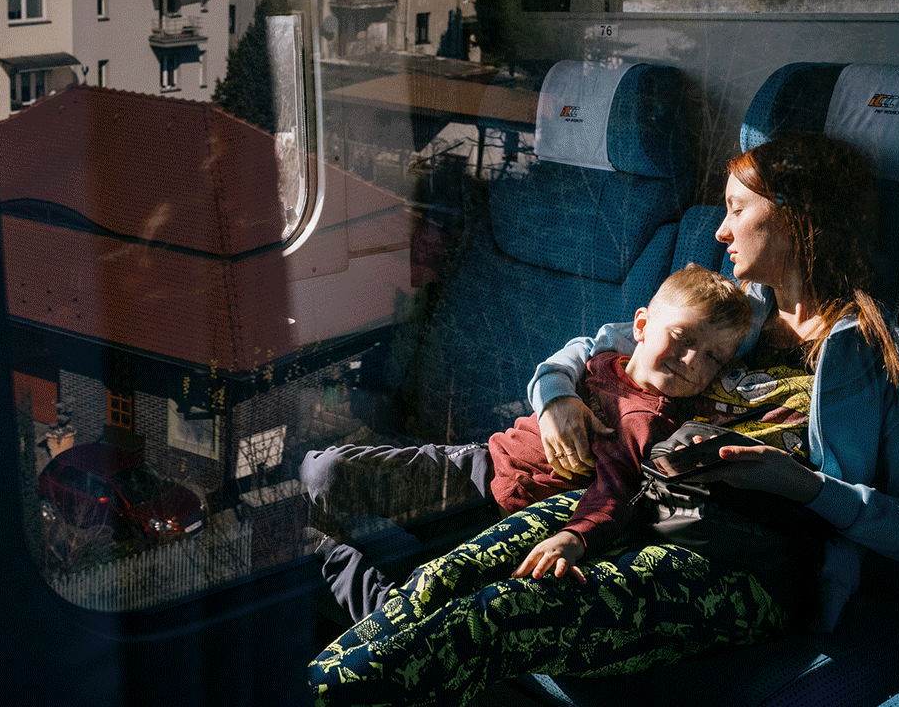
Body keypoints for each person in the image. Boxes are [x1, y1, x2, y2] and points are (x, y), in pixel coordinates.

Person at [307, 131, 899, 707]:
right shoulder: (736, 312)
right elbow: (600, 347)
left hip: (744, 557)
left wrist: (801, 484)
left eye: (738, 210)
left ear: (796, 220)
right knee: (436, 582)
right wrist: (556, 397)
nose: (720, 230)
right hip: (634, 499)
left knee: (496, 616)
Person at [301, 265, 751, 620]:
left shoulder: (646, 419)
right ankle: (327, 536)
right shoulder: (599, 359)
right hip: (478, 469)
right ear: (640, 326)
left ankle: (330, 552)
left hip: (512, 520)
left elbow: (617, 490)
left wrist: (575, 537)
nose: (692, 360)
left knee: (405, 617)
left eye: (713, 356)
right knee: (324, 470)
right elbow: (558, 366)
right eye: (682, 337)